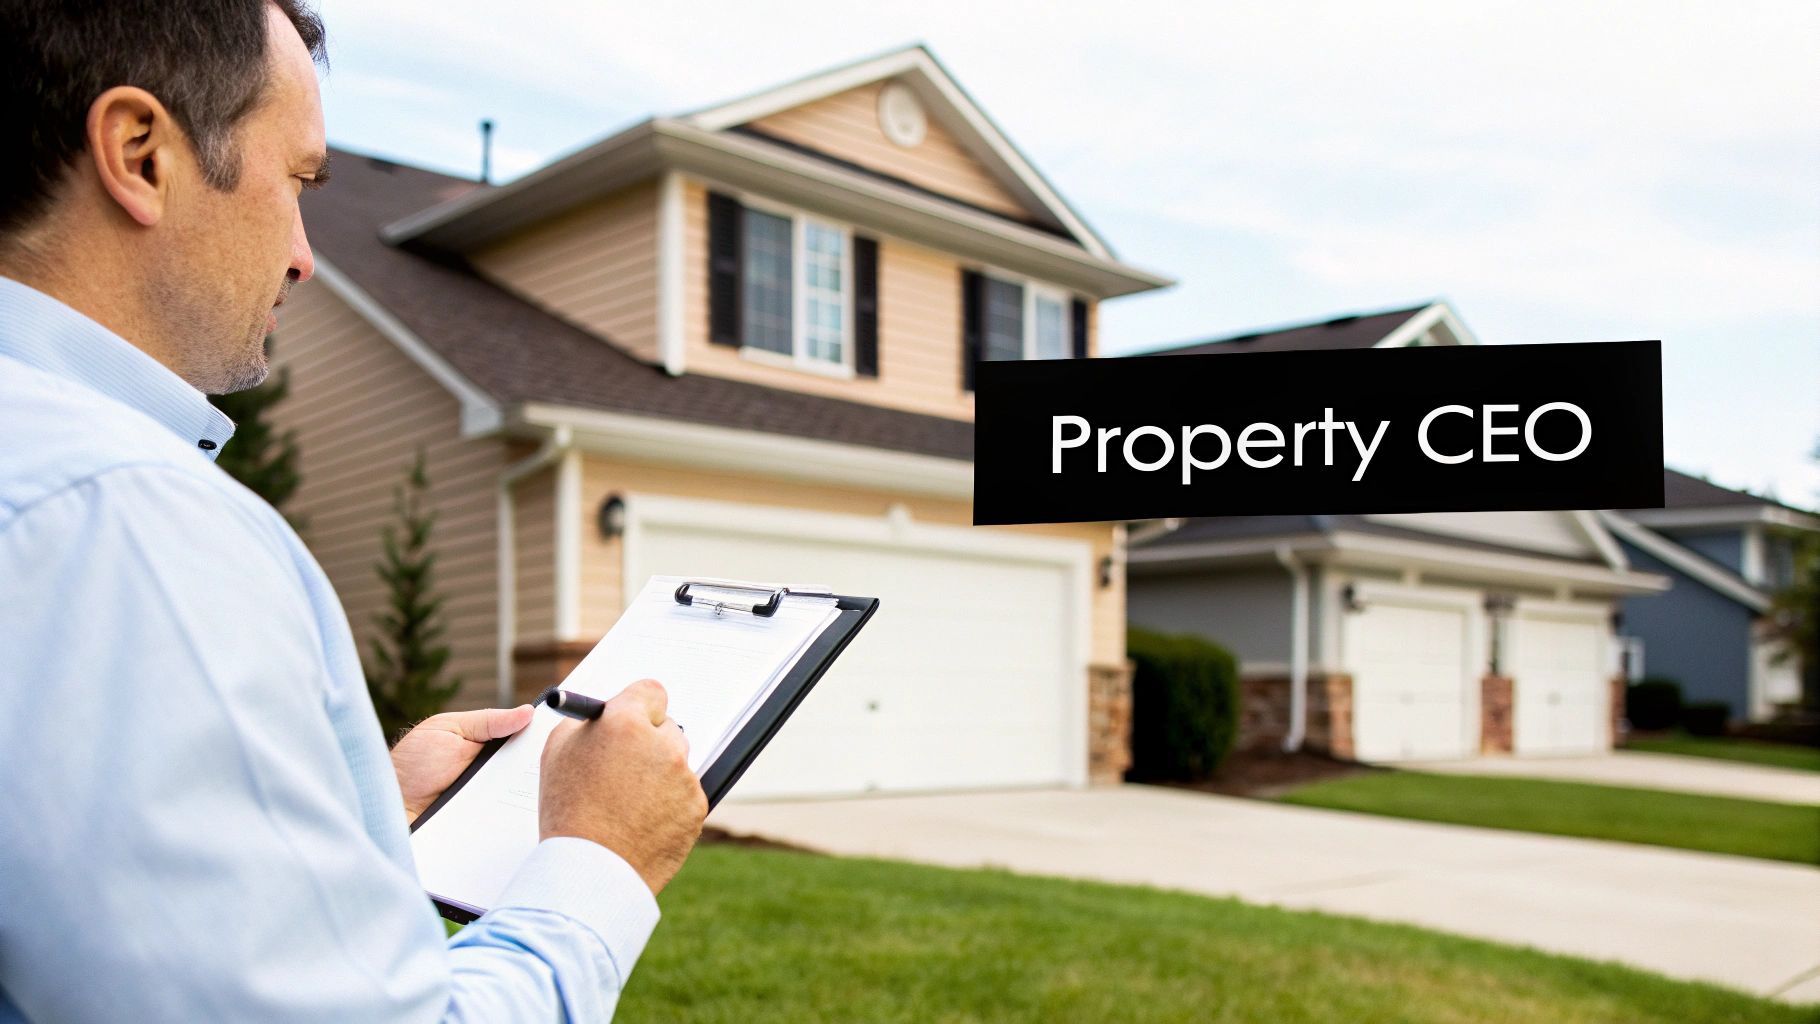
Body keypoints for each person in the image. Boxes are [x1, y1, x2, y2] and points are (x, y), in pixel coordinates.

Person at [0, 2, 708, 1019]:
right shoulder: (120, 520)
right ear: (140, 153)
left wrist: (358, 803)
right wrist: (598, 862)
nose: (304, 255)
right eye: (295, 182)